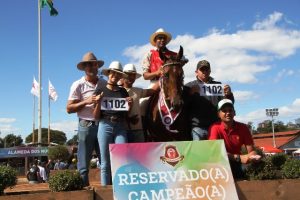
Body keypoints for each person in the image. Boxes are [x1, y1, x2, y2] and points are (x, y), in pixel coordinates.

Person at [66, 51, 105, 187]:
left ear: (97, 66)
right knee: (83, 160)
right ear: (84, 68)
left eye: (93, 64)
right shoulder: (78, 85)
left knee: (105, 159)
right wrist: (86, 101)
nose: (91, 67)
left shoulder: (104, 83)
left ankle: (108, 189)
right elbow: (69, 108)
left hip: (103, 124)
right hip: (85, 124)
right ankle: (83, 189)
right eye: (87, 65)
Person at [93, 61, 133, 185]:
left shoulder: (123, 92)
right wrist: (98, 102)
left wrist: (130, 105)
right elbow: (95, 116)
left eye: (117, 74)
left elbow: (126, 114)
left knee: (122, 159)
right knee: (105, 162)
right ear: (108, 74)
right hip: (104, 125)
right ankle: (105, 191)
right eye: (112, 73)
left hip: (120, 126)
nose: (114, 76)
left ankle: (121, 189)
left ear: (120, 76)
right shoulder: (100, 90)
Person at [208, 99, 261, 179]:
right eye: (224, 111)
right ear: (218, 114)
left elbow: (251, 151)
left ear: (234, 112)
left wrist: (253, 156)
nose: (228, 113)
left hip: (237, 163)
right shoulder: (214, 128)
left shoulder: (243, 127)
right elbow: (214, 153)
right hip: (220, 163)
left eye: (230, 110)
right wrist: (238, 157)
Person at [185, 60, 234, 140]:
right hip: (197, 128)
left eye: (206, 69)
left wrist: (229, 95)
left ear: (210, 71)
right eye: (202, 70)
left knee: (217, 152)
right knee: (198, 152)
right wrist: (190, 94)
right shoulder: (189, 86)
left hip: (216, 126)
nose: (204, 72)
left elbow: (227, 104)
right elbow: (183, 106)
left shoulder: (218, 86)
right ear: (196, 72)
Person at [122, 63, 159, 143]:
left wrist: (162, 79)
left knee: (140, 153)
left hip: (138, 130)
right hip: (122, 131)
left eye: (133, 75)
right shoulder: (117, 91)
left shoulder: (137, 90)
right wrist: (127, 118)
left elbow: (151, 91)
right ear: (123, 76)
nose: (131, 77)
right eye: (128, 75)